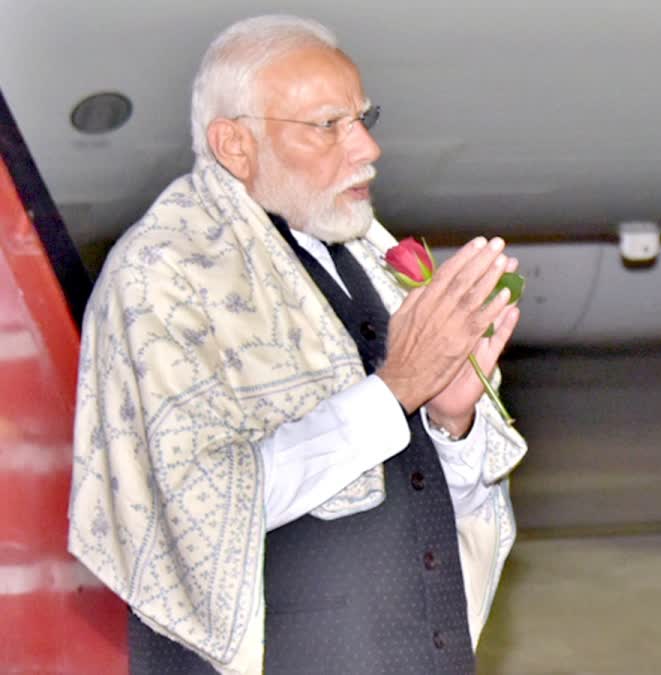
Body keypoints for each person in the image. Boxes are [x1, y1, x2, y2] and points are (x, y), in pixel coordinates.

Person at [67, 15, 527, 675]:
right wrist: (395, 389)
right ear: (235, 144)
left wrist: (449, 418)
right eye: (328, 125)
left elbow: (427, 506)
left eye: (365, 118)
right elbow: (195, 512)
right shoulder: (160, 276)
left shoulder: (363, 256)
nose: (367, 148)